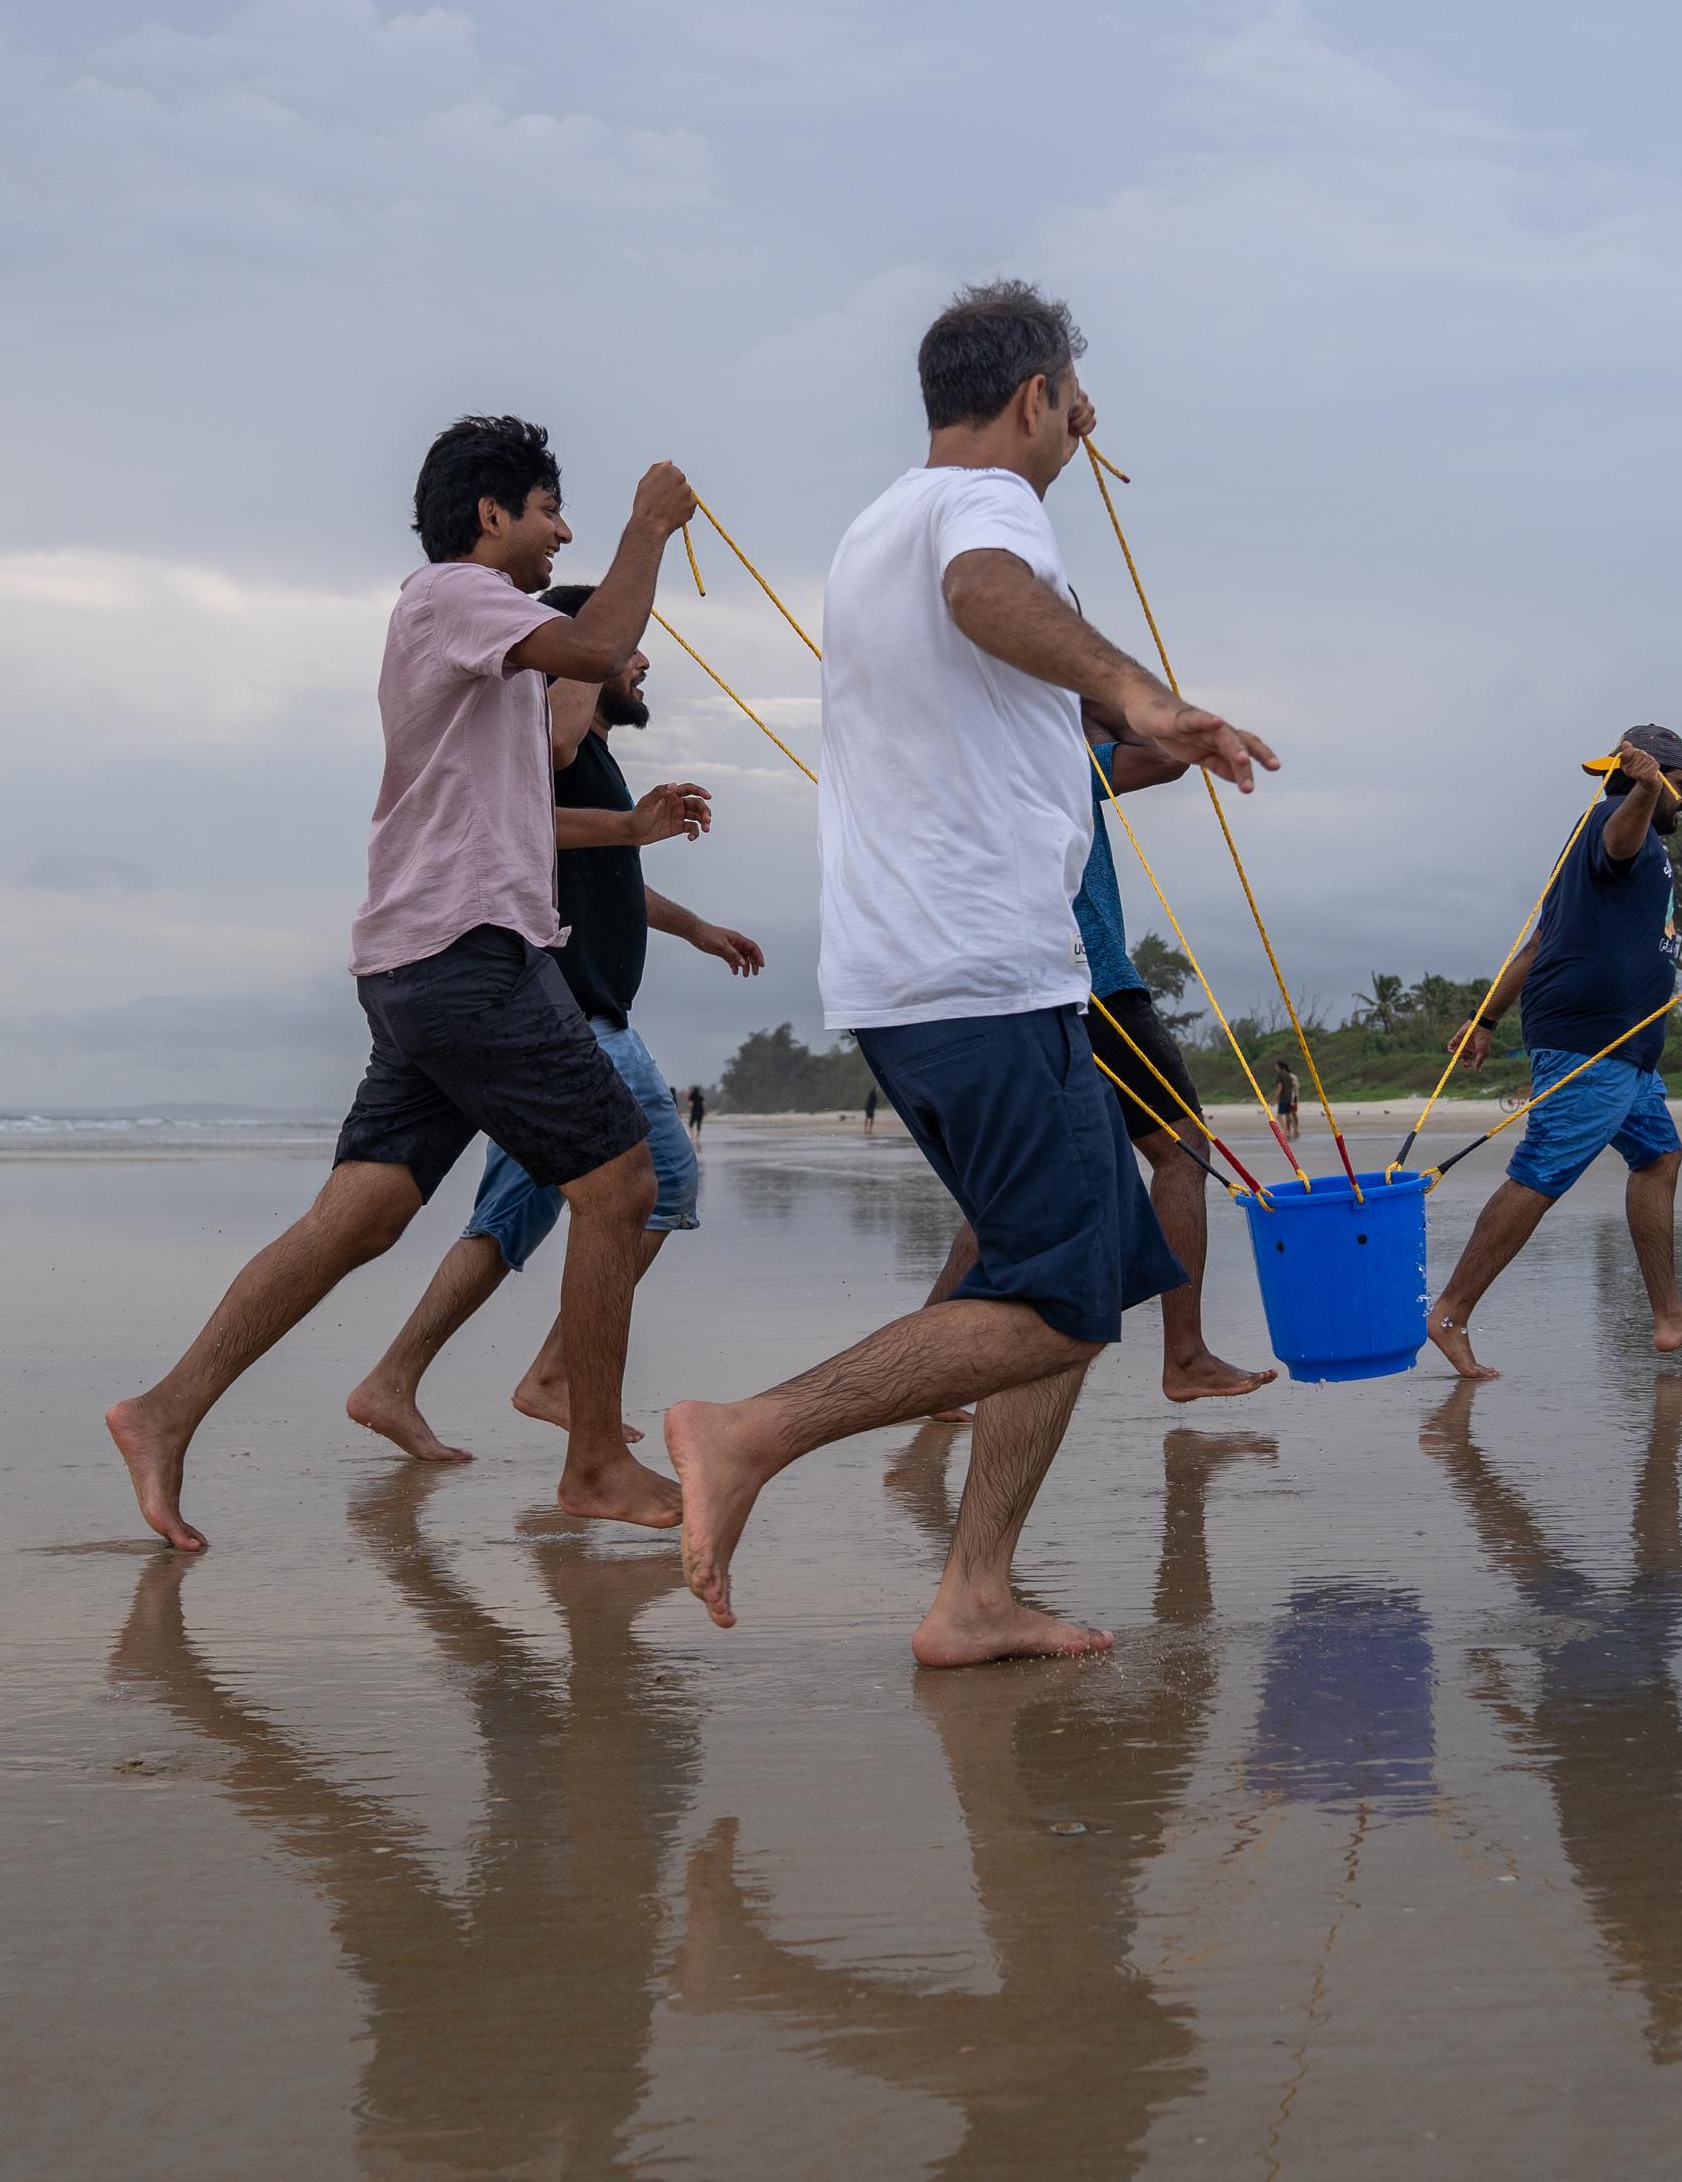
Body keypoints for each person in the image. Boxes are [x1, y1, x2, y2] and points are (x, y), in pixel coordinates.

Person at [661, 279, 1272, 1666]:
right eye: (1074, 397)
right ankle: (751, 1433)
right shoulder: (985, 513)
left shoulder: (876, 525)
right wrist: (1139, 689)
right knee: (1064, 1296)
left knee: (1067, 1287)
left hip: (914, 976)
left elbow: (987, 729)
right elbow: (988, 594)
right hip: (984, 974)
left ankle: (975, 1592)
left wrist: (1124, 752)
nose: (1084, 422)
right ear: (1034, 399)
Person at [106, 417, 709, 1550]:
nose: (560, 531)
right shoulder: (451, 594)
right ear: (490, 516)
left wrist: (627, 821)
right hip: (465, 957)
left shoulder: (465, 629)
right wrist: (644, 529)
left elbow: (541, 749)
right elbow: (591, 648)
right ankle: (592, 1464)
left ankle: (162, 1410)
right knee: (623, 1184)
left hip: (423, 961)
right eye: (545, 511)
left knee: (362, 1215)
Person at [345, 583, 767, 1462]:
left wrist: (695, 927)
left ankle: (393, 1379)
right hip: (565, 1010)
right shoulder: (552, 750)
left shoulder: (593, 767)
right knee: (668, 1183)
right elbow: (545, 759)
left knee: (507, 1221)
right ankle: (553, 1378)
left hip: (555, 1009)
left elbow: (612, 876)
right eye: (626, 651)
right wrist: (575, 662)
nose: (640, 661)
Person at [917, 738, 1277, 1404]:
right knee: (1183, 1150)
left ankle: (929, 1380)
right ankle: (1186, 1357)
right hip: (1089, 982)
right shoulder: (1040, 749)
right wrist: (1103, 693)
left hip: (1011, 988)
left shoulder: (964, 759)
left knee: (1009, 1194)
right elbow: (1166, 754)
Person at [1426, 729, 1682, 1380]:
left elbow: (1541, 942)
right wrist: (1646, 791)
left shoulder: (1600, 845)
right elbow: (1620, 839)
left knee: (1658, 1158)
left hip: (1625, 1049)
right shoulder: (1612, 824)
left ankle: (1670, 1314)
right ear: (1664, 777)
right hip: (1590, 1042)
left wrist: (1486, 1017)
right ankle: (1450, 1311)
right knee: (1542, 1171)